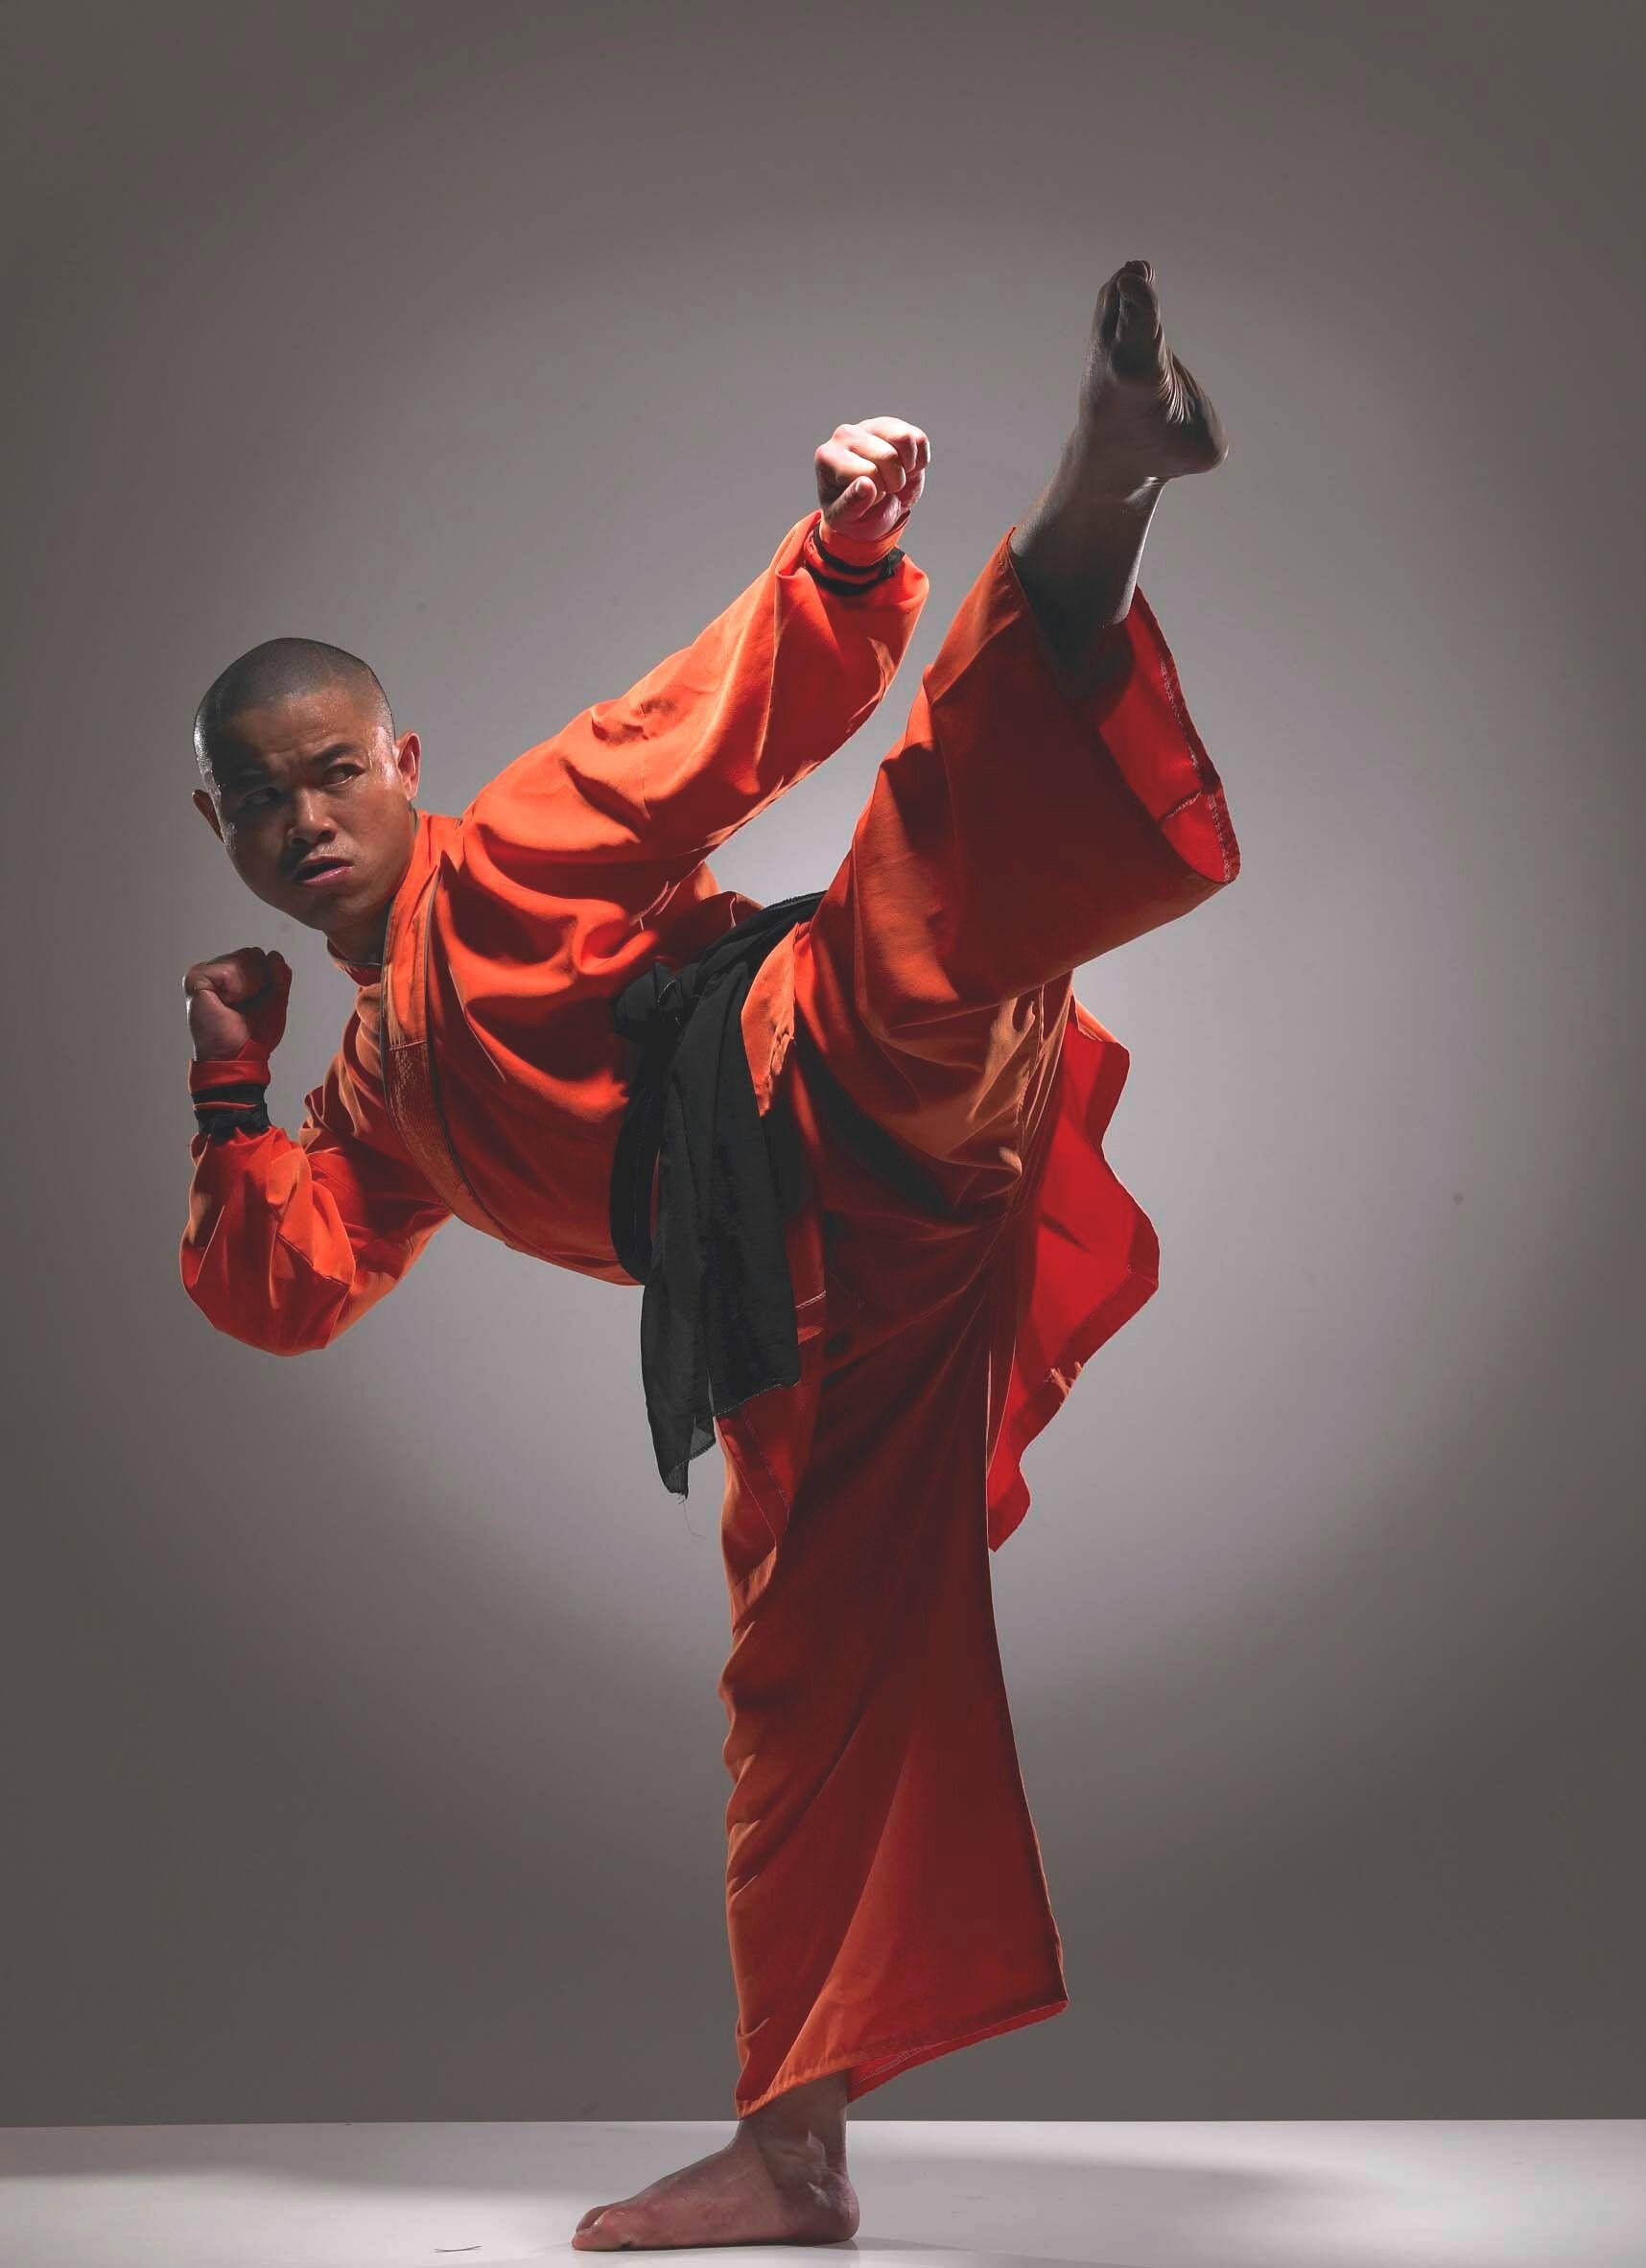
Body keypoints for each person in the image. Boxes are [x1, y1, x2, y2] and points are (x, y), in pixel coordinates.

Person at [180, 258, 1238, 2249]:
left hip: (820, 1070)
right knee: (798, 1682)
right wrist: (233, 1090)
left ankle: (1111, 470)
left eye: (333, 770)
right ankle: (793, 2147)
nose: (304, 816)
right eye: (259, 798)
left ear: (404, 762)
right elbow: (285, 1286)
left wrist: (843, 557)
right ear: (218, 829)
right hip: (808, 1302)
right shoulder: (376, 1099)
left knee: (929, 873)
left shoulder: (507, 847)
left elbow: (700, 731)